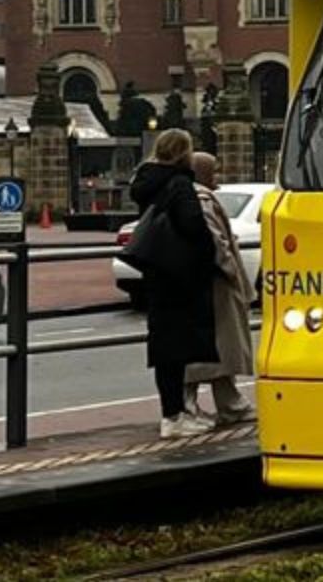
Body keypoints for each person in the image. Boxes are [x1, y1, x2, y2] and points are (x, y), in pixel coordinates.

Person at [129, 128, 221, 438]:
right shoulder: (179, 183)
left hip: (157, 271)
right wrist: (208, 255)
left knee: (164, 345)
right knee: (179, 347)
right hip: (181, 274)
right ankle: (174, 416)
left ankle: (174, 413)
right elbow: (193, 224)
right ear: (184, 153)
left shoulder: (146, 181)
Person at [184, 152, 258, 424]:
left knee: (218, 347)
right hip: (214, 285)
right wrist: (231, 271)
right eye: (213, 171)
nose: (218, 177)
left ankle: (229, 402)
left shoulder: (192, 195)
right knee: (215, 345)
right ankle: (207, 405)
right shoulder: (202, 200)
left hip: (203, 284)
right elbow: (216, 243)